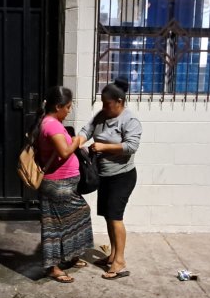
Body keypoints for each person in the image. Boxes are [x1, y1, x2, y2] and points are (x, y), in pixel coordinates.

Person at [79, 77, 142, 280]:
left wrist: (104, 147)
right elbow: (86, 130)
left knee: (115, 217)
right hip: (104, 175)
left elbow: (131, 146)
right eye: (103, 104)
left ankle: (120, 262)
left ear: (120, 101)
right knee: (107, 216)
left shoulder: (129, 121)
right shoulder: (102, 116)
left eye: (108, 104)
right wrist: (76, 141)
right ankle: (113, 255)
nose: (105, 108)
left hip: (122, 176)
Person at [35, 86, 94, 283]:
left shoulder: (52, 122)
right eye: (68, 107)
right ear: (58, 106)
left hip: (64, 183)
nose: (69, 111)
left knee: (75, 217)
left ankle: (71, 255)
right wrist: (76, 141)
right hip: (57, 184)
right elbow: (64, 152)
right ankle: (53, 268)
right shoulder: (52, 125)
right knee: (55, 226)